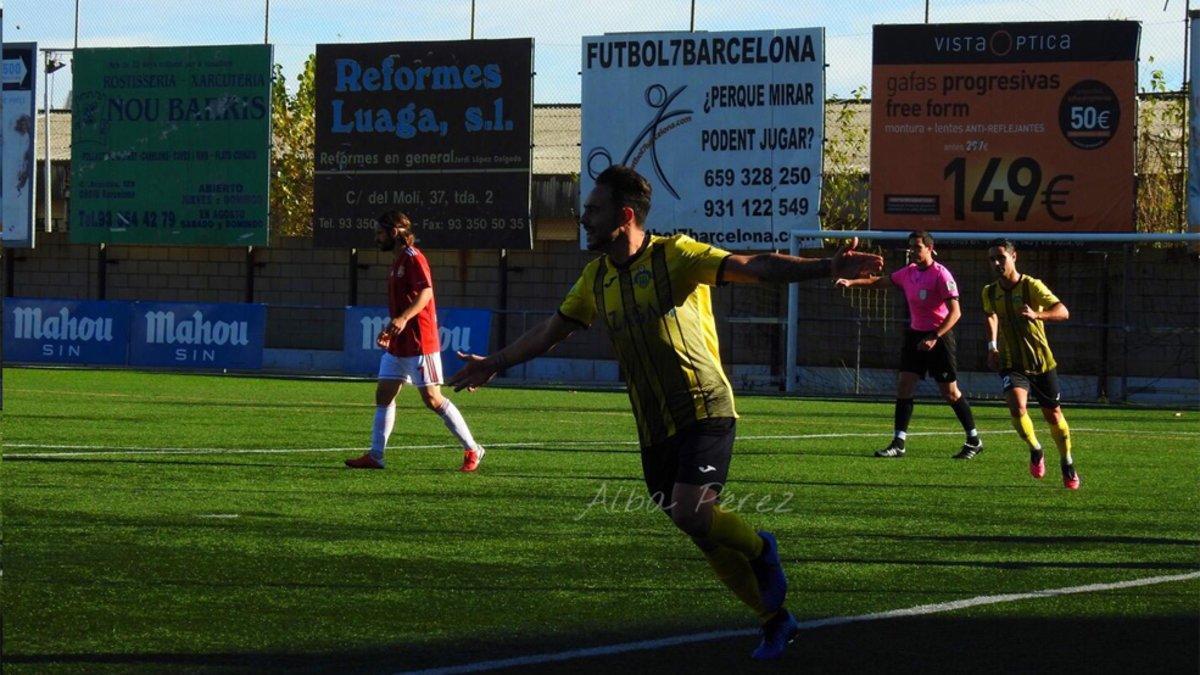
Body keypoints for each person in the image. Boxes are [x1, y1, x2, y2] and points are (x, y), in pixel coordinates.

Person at [448, 165, 883, 660]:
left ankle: (763, 549)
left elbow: (754, 265)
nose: (583, 218)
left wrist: (824, 267)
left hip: (705, 406)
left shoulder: (676, 255)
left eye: (593, 210)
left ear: (624, 215)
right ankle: (774, 619)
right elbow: (551, 331)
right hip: (653, 424)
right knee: (697, 529)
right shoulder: (595, 279)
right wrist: (494, 364)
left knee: (690, 509)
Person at [344, 211, 486, 472]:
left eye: (379, 233)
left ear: (394, 233)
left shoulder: (413, 258)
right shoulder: (397, 261)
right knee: (384, 395)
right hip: (399, 346)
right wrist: (392, 328)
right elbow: (402, 306)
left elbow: (426, 292)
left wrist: (403, 319)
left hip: (421, 343)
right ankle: (376, 455)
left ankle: (473, 448)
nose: (376, 239)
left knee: (432, 399)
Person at [835, 230, 983, 459]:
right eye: (910, 247)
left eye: (917, 247)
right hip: (915, 336)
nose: (913, 251)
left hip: (939, 338)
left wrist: (935, 335)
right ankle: (899, 442)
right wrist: (851, 282)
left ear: (930, 248)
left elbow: (956, 313)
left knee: (950, 392)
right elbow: (880, 282)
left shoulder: (941, 275)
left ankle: (974, 439)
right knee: (904, 385)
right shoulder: (909, 273)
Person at [983, 239, 1080, 490]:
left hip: (1041, 362)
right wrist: (992, 346)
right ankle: (1036, 449)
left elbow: (1063, 311)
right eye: (992, 258)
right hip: (1011, 362)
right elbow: (991, 315)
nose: (996, 263)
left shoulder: (1031, 286)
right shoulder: (990, 291)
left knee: (1053, 415)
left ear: (1014, 257)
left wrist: (1038, 314)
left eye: (1001, 257)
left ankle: (1066, 461)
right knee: (1016, 406)